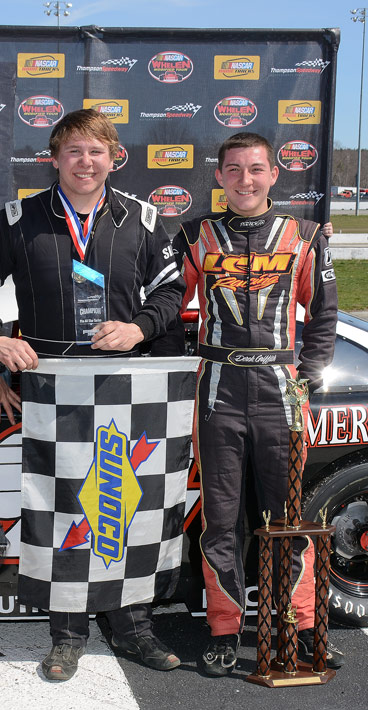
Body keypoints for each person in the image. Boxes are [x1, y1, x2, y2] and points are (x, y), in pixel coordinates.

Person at [0, 109, 186, 681]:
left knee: (126, 503)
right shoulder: (20, 219)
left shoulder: (143, 219)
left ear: (114, 158)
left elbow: (171, 293)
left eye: (96, 151)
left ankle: (133, 626)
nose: (86, 162)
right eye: (74, 151)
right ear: (54, 159)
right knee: (63, 508)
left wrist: (138, 328)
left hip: (127, 387)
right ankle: (67, 634)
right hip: (52, 390)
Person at [173, 132, 343, 676]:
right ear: (219, 176)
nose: (244, 180)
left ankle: (302, 624)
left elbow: (323, 313)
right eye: (234, 170)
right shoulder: (195, 236)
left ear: (274, 174)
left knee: (290, 517)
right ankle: (224, 630)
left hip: (281, 391)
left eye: (255, 169)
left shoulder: (305, 235)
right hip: (218, 391)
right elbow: (168, 304)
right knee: (220, 520)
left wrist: (307, 380)